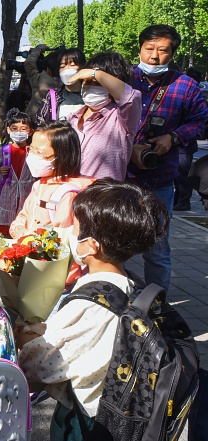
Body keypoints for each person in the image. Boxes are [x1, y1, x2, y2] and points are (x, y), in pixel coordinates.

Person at [16, 178, 168, 440]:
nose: (68, 233)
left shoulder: (89, 304)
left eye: (74, 228)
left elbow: (38, 367)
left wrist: (23, 340)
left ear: (92, 245)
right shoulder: (131, 286)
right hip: (117, 407)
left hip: (87, 422)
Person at [129, 24, 208, 290]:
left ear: (172, 53)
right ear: (140, 48)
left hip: (159, 179)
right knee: (111, 244)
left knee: (157, 250)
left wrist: (172, 137)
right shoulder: (123, 78)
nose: (154, 56)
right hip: (118, 177)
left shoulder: (185, 85)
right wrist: (129, 146)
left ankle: (157, 304)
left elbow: (199, 121)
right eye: (149, 48)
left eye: (162, 50)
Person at [9, 121, 95, 239]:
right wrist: (21, 232)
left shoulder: (68, 193)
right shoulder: (39, 184)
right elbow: (23, 216)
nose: (32, 156)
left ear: (63, 156)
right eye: (31, 149)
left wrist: (30, 239)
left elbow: (60, 238)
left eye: (39, 152)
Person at [66, 52, 142, 181]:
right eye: (87, 81)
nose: (91, 86)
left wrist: (96, 74)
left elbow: (132, 97)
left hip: (103, 193)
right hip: (70, 191)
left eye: (98, 83)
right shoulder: (71, 119)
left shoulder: (122, 119)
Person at [0, 109, 35, 238]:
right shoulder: (5, 150)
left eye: (23, 129)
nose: (18, 132)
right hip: (9, 191)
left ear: (30, 131)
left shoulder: (32, 150)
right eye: (14, 128)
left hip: (27, 192)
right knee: (6, 227)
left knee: (25, 221)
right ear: (8, 130)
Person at [174, 67, 203, 211]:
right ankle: (178, 200)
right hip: (180, 143)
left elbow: (198, 121)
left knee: (182, 175)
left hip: (184, 144)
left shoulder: (192, 94)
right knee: (177, 175)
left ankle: (184, 201)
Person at [36, 48, 86, 124]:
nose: (67, 69)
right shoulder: (53, 95)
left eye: (72, 65)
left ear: (82, 68)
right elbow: (41, 124)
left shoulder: (92, 95)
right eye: (62, 66)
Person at [24, 44, 63, 123]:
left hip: (35, 122)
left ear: (48, 70)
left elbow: (29, 64)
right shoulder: (70, 83)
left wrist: (39, 48)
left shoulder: (41, 80)